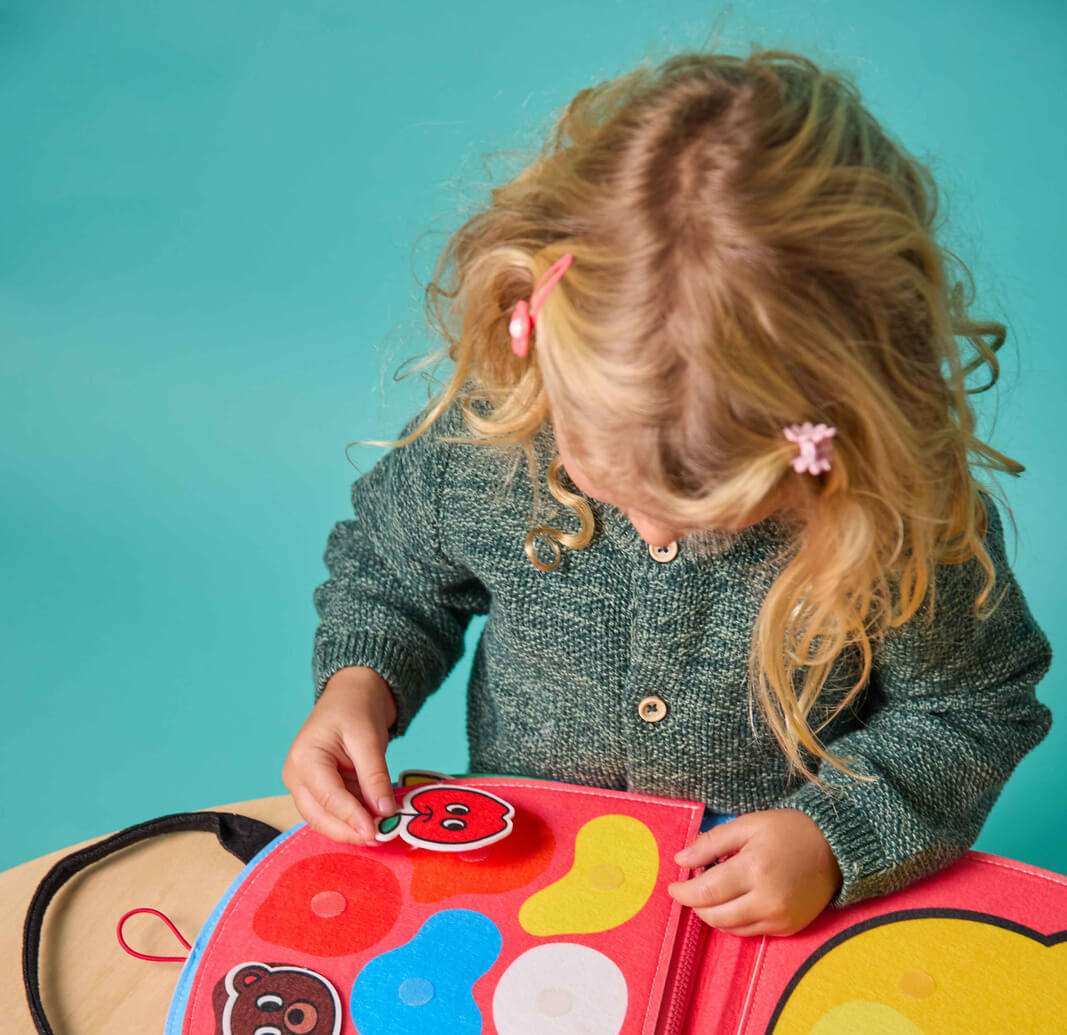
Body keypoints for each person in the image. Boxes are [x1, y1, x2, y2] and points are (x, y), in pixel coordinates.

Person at [283, 48, 1051, 938]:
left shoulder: (895, 519)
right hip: (529, 882)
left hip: (766, 915)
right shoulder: (488, 444)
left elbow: (970, 708)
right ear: (542, 348)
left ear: (833, 427)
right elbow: (392, 573)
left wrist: (832, 840)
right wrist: (360, 684)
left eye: (713, 507)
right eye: (606, 478)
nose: (649, 526)